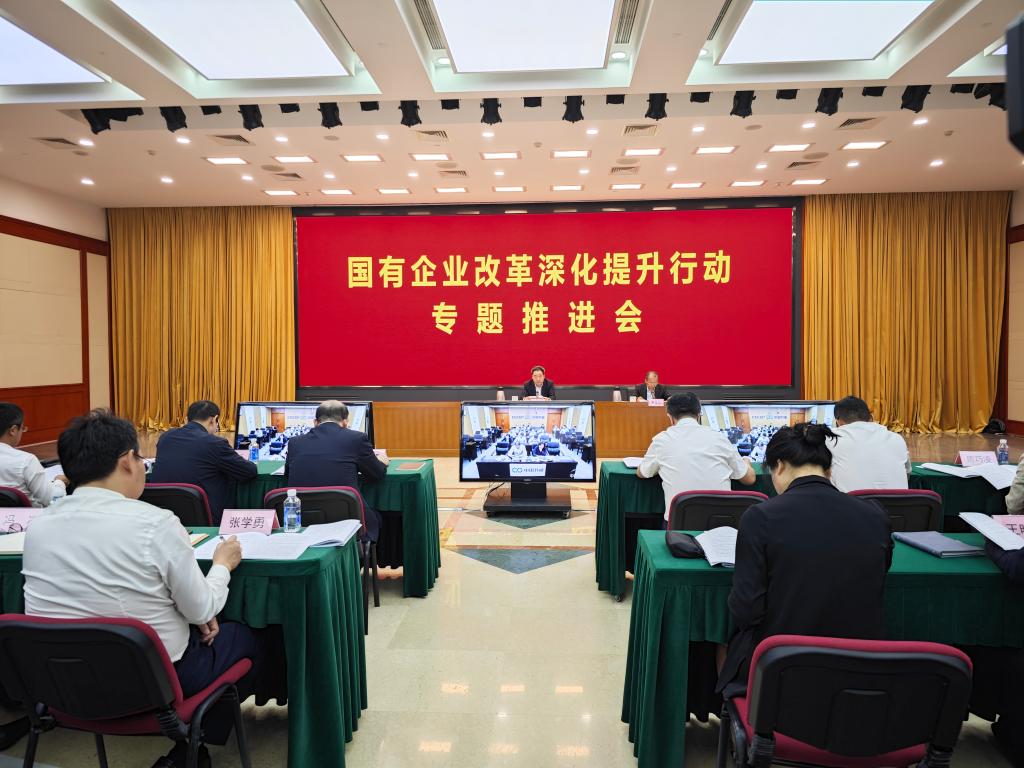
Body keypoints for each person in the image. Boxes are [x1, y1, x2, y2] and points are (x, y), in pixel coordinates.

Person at [22, 410, 256, 768]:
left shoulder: (38, 527)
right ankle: (194, 743)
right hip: (153, 684)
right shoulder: (156, 523)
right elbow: (203, 607)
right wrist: (222, 565)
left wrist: (195, 615)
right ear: (126, 462)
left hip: (62, 685)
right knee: (248, 637)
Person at [716, 423, 893, 697]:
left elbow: (747, 609)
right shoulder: (875, 514)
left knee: (724, 645)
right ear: (829, 470)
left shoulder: (760, 517)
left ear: (779, 466)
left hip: (780, 671)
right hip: (859, 672)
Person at [637, 392, 756, 522]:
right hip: (720, 524)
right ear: (699, 414)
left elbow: (642, 473)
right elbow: (749, 479)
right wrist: (746, 461)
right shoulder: (719, 438)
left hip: (679, 527)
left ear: (670, 417)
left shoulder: (661, 440)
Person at [284, 400, 388, 541]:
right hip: (348, 520)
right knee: (379, 517)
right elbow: (377, 474)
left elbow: (287, 475)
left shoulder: (294, 442)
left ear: (315, 422)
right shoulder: (357, 438)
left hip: (303, 520)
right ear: (345, 422)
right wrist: (382, 461)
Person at [150, 400, 258, 523]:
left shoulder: (165, 437)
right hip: (205, 518)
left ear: (187, 419)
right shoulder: (214, 443)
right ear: (214, 419)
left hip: (167, 517)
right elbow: (249, 471)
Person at [827, 395, 911, 492]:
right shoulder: (897, 439)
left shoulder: (831, 438)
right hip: (898, 501)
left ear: (838, 422)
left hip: (850, 501)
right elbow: (907, 473)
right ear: (871, 418)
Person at [0, 402, 68, 507]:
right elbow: (53, 501)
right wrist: (59, 482)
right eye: (22, 428)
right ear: (13, 430)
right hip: (28, 515)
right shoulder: (26, 461)